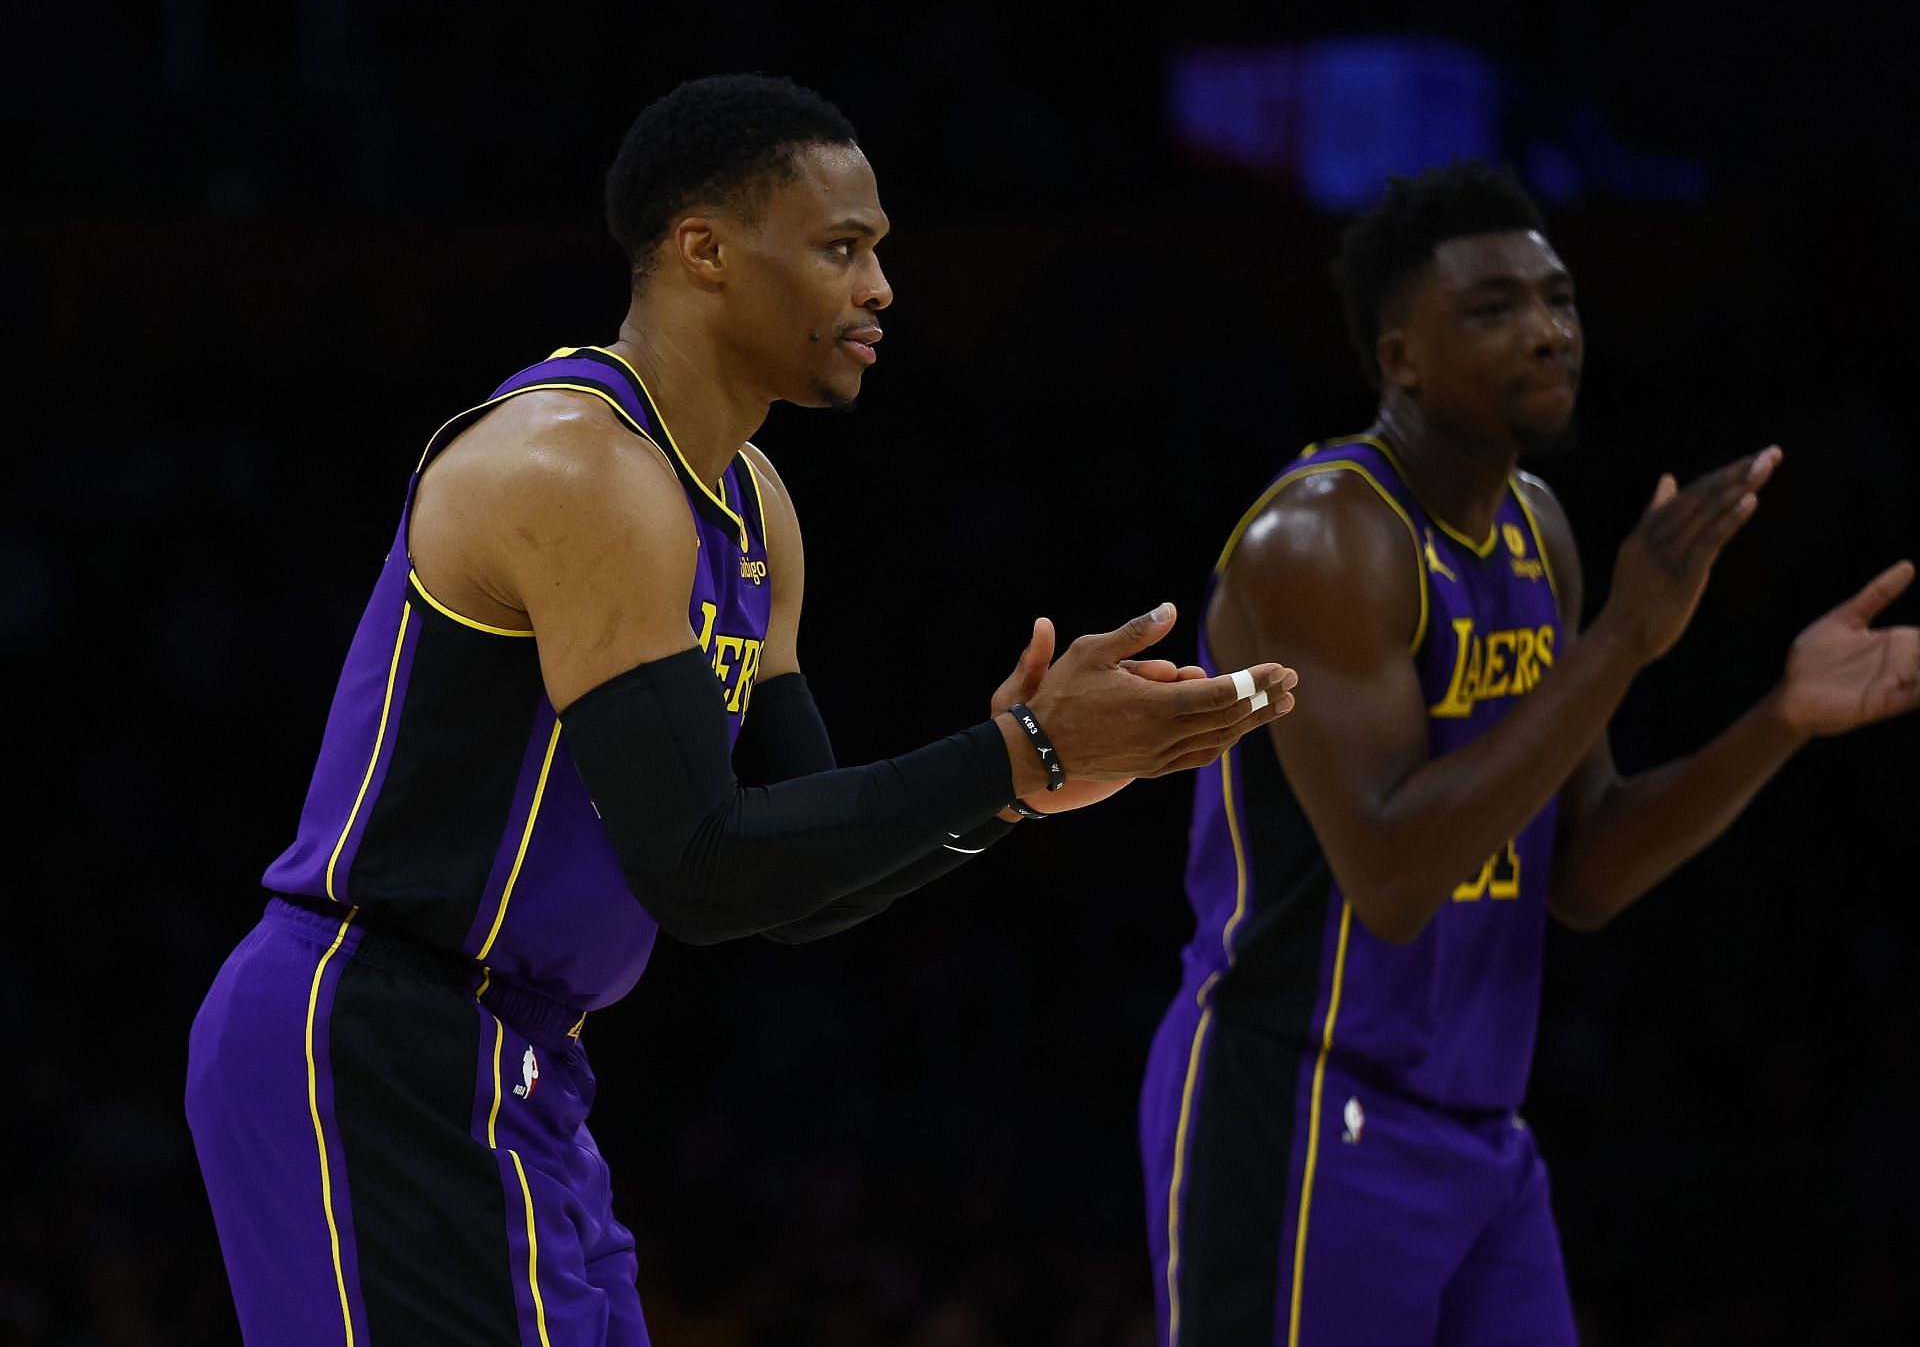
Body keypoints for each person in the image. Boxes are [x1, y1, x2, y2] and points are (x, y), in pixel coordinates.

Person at [185, 74, 1295, 1346]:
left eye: (880, 251)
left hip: (523, 1062)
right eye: (842, 249)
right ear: (702, 248)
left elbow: (796, 882)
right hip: (369, 1033)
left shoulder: (753, 504)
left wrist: (1022, 784)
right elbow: (700, 867)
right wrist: (1019, 748)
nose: (880, 289)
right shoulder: (576, 463)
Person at [1138, 160, 1920, 1346]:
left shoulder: (1536, 528)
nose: (1549, 333)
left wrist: (1781, 719)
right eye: (1495, 309)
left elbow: (1585, 867)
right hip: (1304, 1106)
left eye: (1558, 300)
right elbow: (1395, 878)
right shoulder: (1325, 536)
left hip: (1483, 1136)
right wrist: (1620, 640)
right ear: (1399, 356)